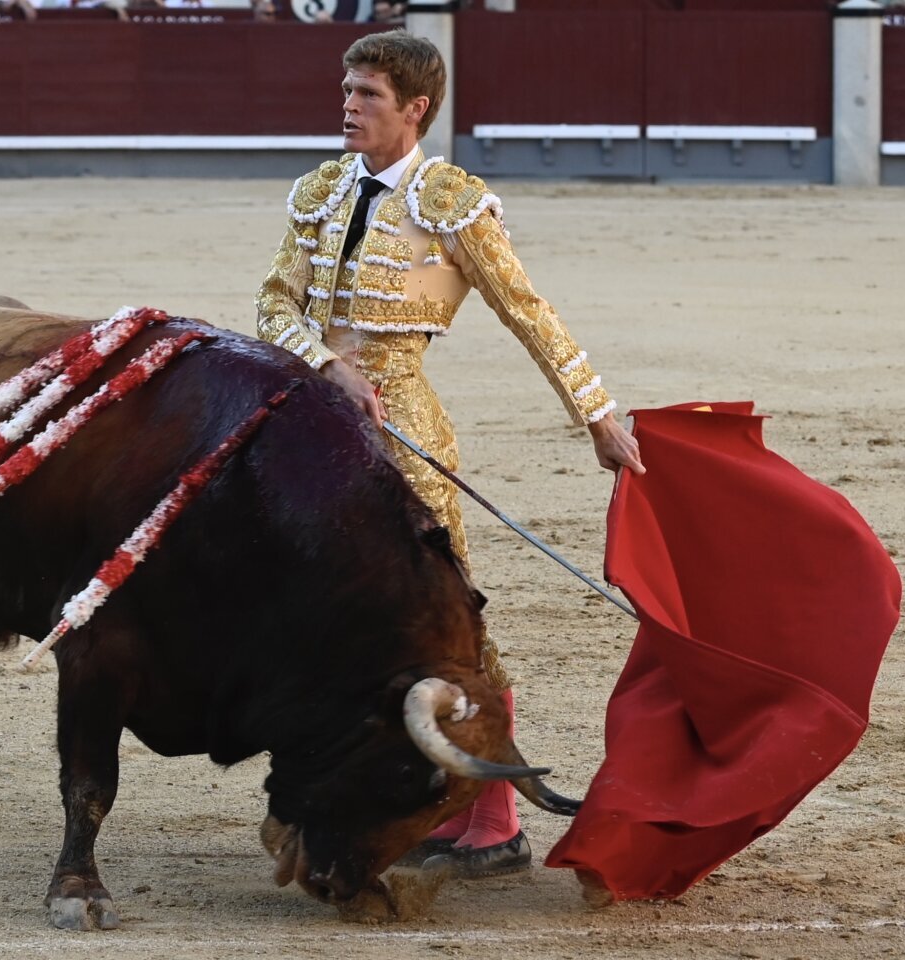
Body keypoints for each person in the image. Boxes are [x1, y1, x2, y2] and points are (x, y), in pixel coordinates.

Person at [255, 29, 643, 878]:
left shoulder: (453, 202)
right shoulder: (319, 191)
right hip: (311, 423)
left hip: (407, 437)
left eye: (368, 96)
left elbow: (529, 313)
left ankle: (494, 818)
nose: (348, 107)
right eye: (347, 90)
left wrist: (597, 415)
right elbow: (273, 303)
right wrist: (325, 363)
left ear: (415, 108)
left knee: (445, 622)